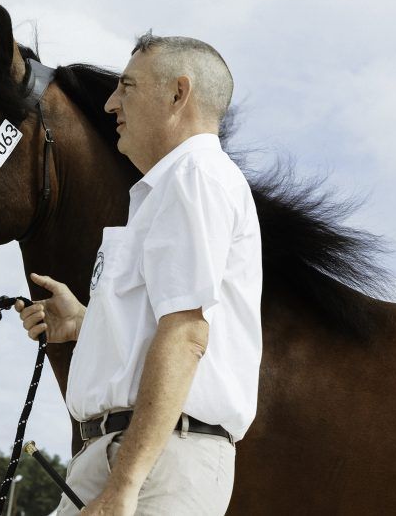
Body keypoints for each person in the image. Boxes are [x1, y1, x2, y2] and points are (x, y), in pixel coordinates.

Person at [15, 33, 263, 516]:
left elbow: (187, 334)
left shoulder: (197, 177)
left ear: (178, 93)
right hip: (129, 456)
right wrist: (87, 324)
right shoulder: (171, 187)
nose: (110, 103)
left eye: (126, 86)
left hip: (157, 466)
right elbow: (164, 323)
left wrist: (125, 484)